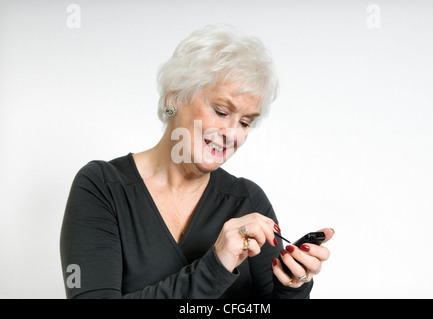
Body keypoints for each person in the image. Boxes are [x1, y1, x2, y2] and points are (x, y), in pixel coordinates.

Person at [60, 24, 334, 299]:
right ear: (174, 99)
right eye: (221, 110)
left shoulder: (247, 200)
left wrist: (291, 285)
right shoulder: (103, 186)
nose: (231, 133)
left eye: (245, 122)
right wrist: (216, 265)